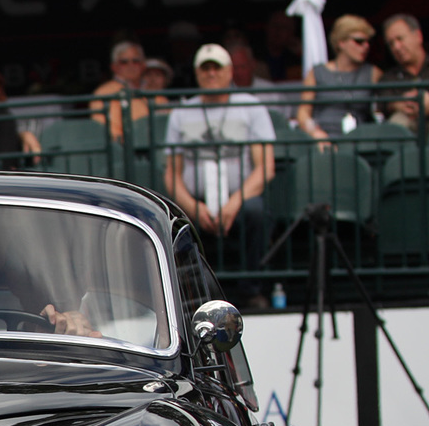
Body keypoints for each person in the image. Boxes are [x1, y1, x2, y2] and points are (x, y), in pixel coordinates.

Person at [163, 44, 275, 269]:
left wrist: (234, 203)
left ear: (229, 71)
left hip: (240, 198)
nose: (211, 73)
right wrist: (193, 206)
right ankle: (192, 295)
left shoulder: (252, 107)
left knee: (256, 212)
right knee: (176, 219)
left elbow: (265, 168)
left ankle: (252, 287)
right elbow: (172, 173)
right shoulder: (181, 113)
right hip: (196, 200)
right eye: (205, 69)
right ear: (197, 73)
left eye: (217, 67)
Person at [296, 15, 382, 145]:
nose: (365, 46)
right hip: (323, 139)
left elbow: (382, 108)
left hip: (360, 140)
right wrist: (315, 133)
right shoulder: (317, 72)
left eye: (367, 42)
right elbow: (303, 113)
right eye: (359, 41)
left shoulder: (373, 73)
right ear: (341, 42)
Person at [90, 41, 159, 139]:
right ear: (114, 67)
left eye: (135, 61)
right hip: (127, 150)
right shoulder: (104, 93)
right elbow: (109, 131)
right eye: (124, 62)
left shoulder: (154, 90)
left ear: (143, 65)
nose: (130, 65)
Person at [381, 14, 427, 132]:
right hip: (407, 138)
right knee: (397, 121)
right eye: (391, 43)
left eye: (400, 39)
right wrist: (397, 105)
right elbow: (380, 105)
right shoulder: (389, 77)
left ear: (418, 36)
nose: (396, 47)